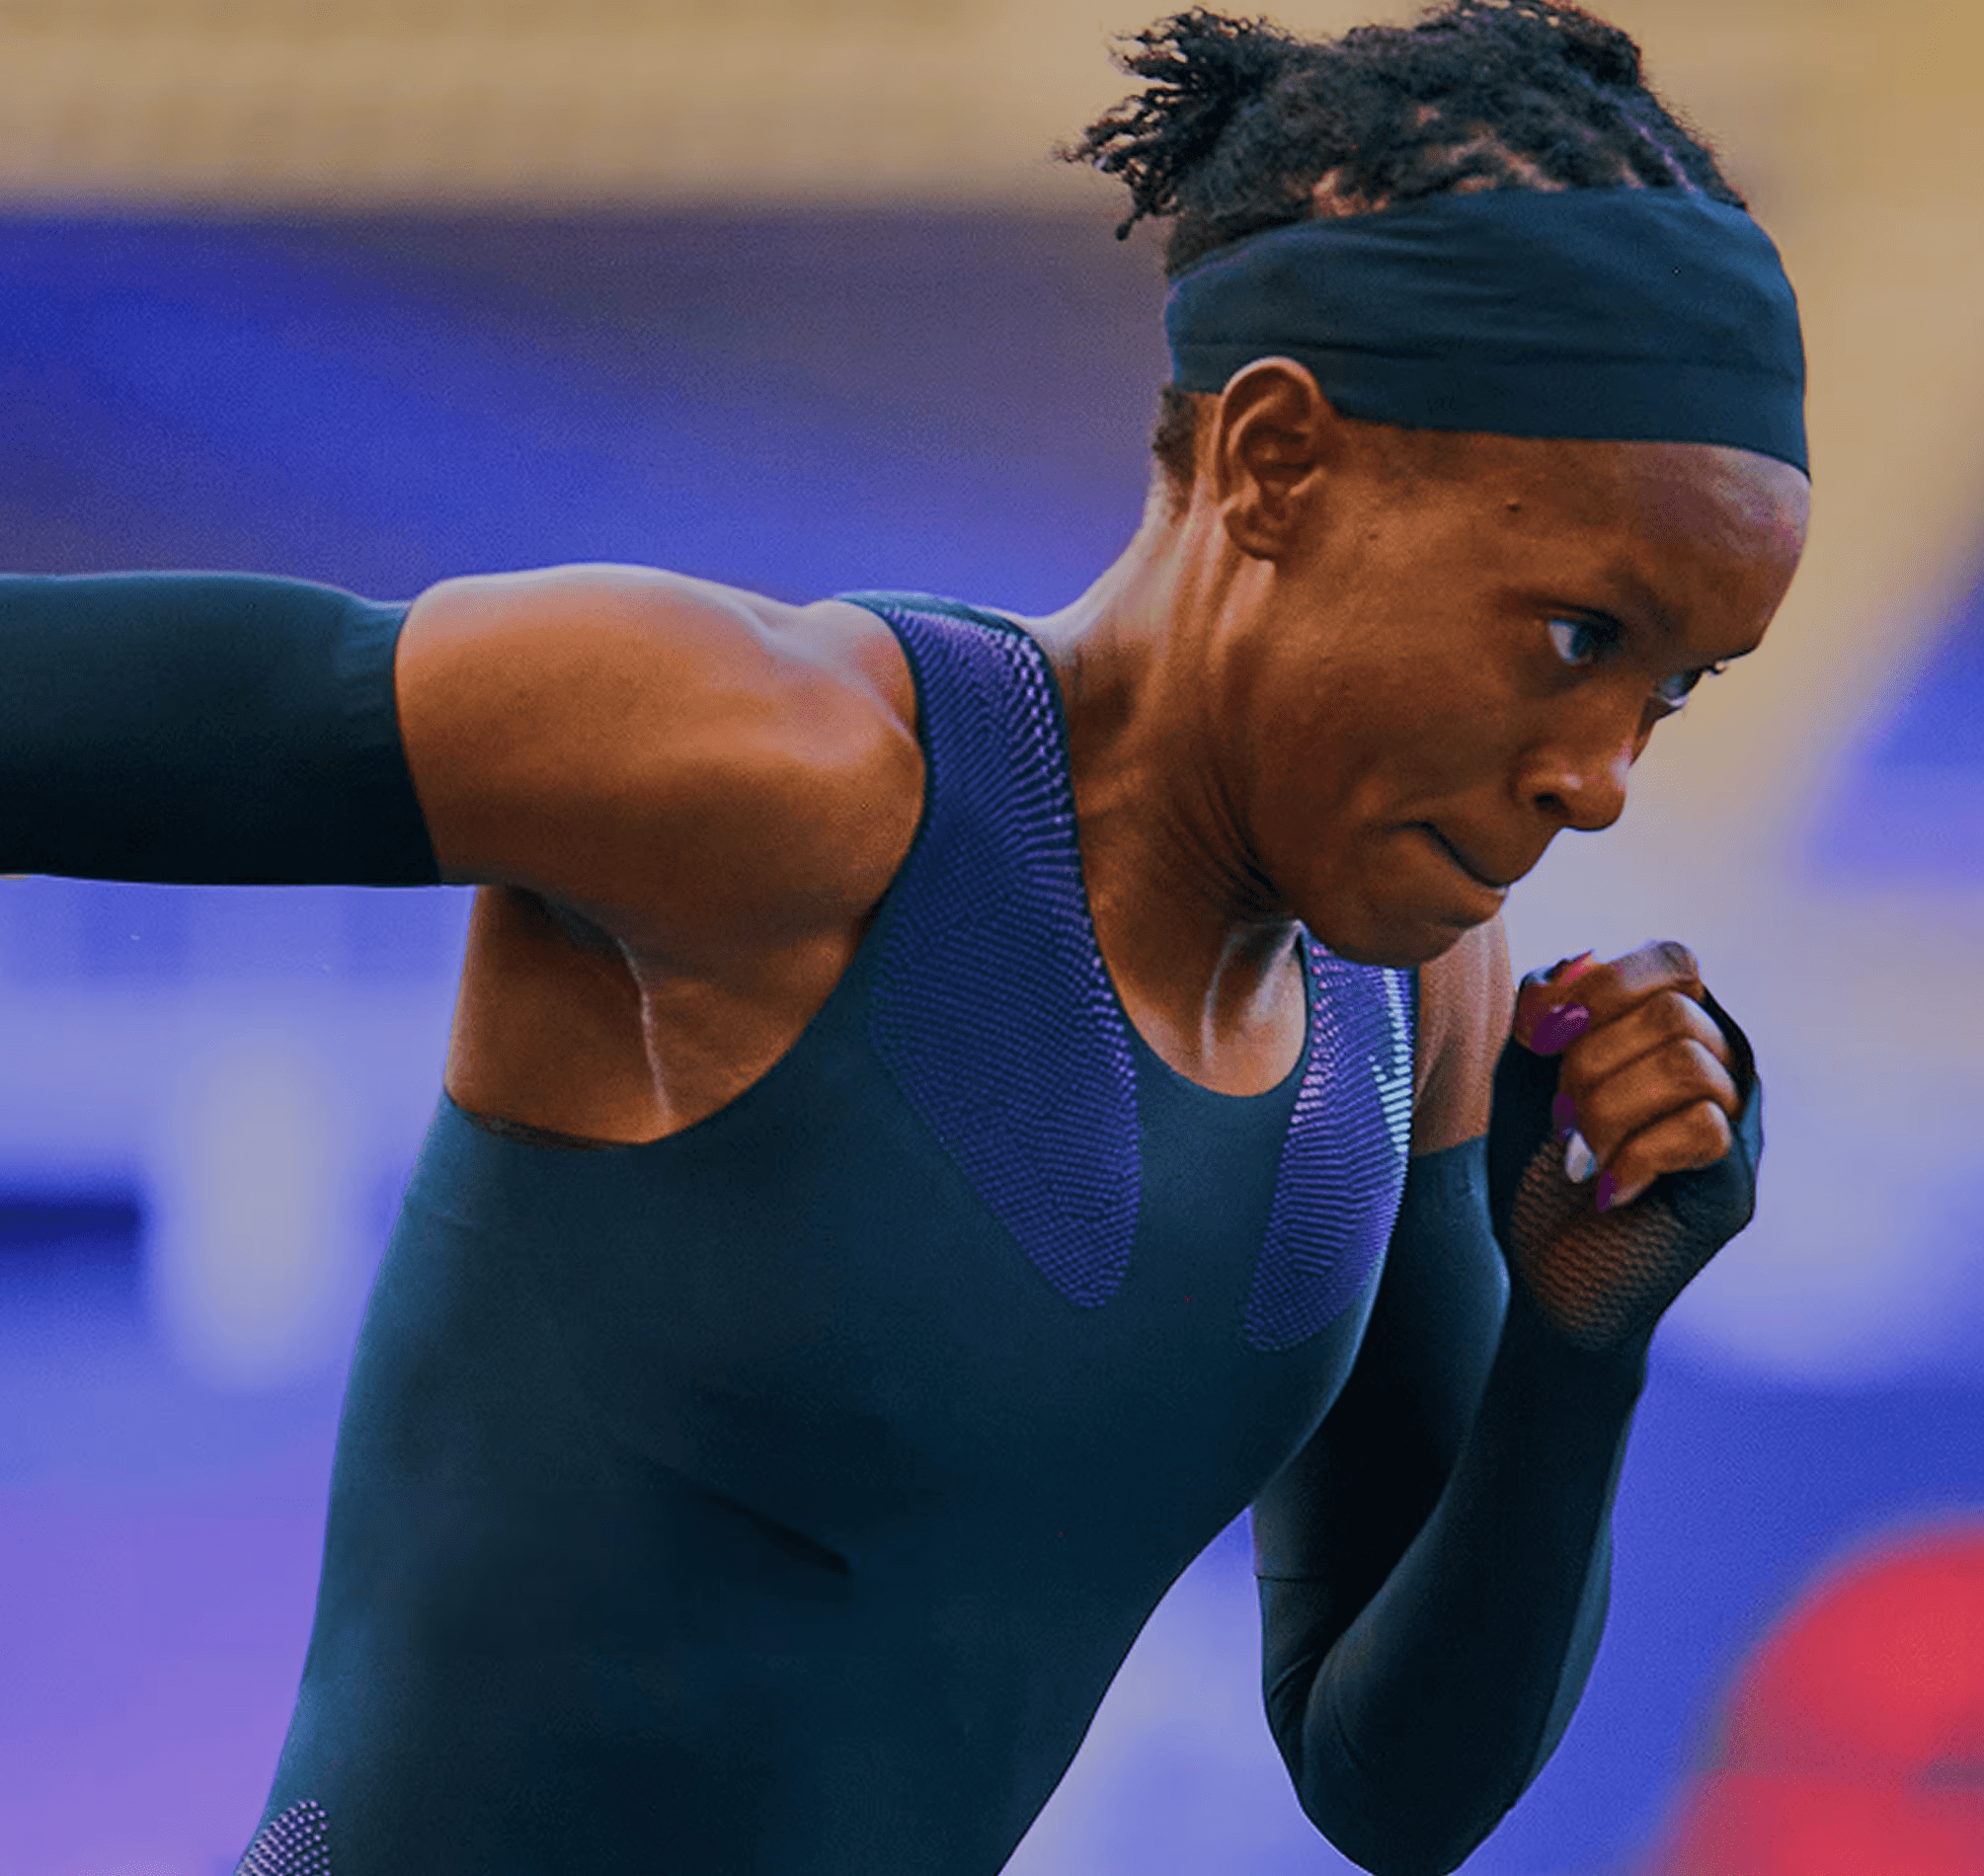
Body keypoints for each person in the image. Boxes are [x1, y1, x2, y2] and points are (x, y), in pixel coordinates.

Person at [0, 2, 1809, 1870]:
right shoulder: (769, 763)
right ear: (1277, 464)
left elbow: (1401, 1793)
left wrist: (1579, 1347)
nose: (1601, 781)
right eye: (1580, 635)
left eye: (1673, 692)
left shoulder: (1414, 1001)